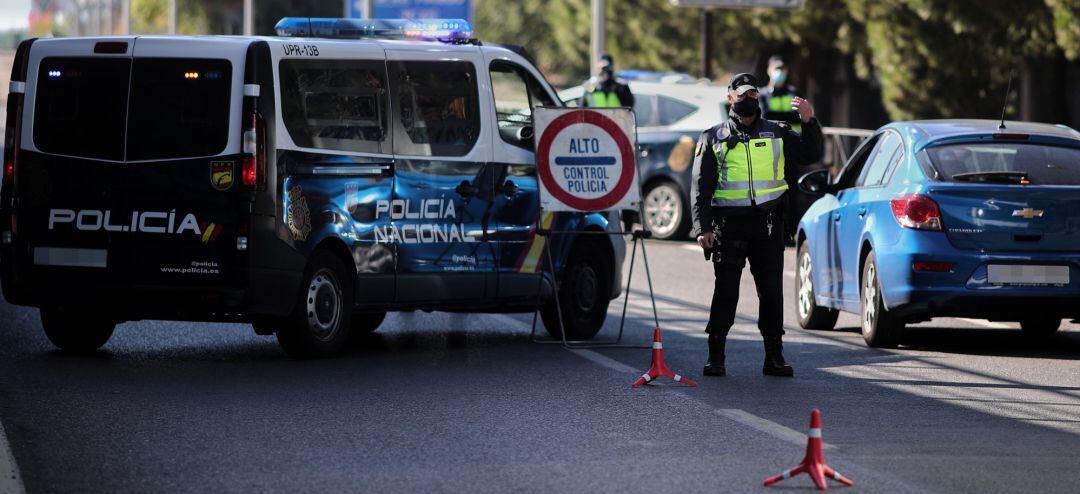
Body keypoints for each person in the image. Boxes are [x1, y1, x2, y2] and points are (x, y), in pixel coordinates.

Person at [690, 73, 824, 377]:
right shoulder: (713, 137)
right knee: (726, 292)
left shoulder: (777, 132)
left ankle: (774, 356)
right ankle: (716, 356)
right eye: (742, 94)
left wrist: (809, 121)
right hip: (729, 226)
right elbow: (700, 187)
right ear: (730, 98)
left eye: (752, 94)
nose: (748, 99)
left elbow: (811, 153)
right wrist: (703, 228)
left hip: (768, 224)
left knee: (772, 293)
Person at [759, 56, 801, 132]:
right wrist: (788, 116)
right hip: (772, 136)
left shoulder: (794, 92)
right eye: (776, 69)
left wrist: (774, 115)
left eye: (782, 69)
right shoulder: (762, 94)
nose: (779, 71)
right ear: (769, 70)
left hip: (792, 136)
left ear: (786, 71)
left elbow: (797, 117)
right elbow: (764, 117)